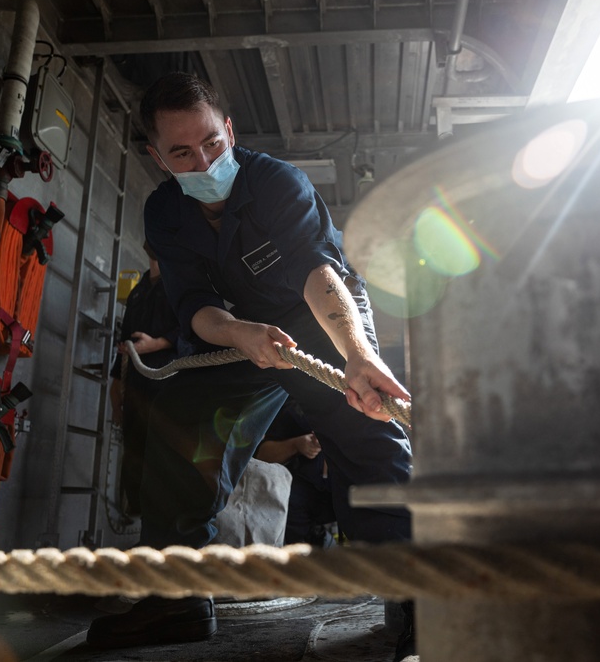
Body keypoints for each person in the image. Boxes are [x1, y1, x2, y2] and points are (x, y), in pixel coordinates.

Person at [86, 72, 415, 661]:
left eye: (213, 143)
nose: (204, 159)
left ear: (229, 131)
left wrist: (359, 357)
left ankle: (416, 593)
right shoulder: (164, 212)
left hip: (322, 316)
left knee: (366, 429)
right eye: (183, 152)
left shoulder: (276, 183)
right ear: (157, 156)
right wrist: (240, 333)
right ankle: (176, 596)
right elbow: (194, 306)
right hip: (241, 332)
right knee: (180, 421)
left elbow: (319, 272)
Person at [109, 241, 191, 517]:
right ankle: (137, 511)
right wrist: (115, 390)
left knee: (162, 453)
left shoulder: (181, 286)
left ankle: (162, 520)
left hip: (167, 384)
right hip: (134, 384)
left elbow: (193, 332)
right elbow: (126, 341)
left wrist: (156, 343)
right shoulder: (138, 292)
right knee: (133, 449)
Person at [254, 397, 338, 547]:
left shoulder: (356, 407)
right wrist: (296, 444)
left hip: (343, 498)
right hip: (293, 511)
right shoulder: (291, 409)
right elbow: (261, 457)